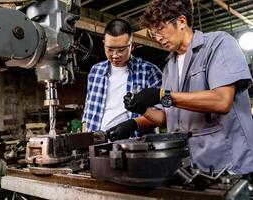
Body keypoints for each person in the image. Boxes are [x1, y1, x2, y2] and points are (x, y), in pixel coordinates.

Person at [108, 0, 253, 175]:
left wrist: (162, 95)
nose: (158, 37)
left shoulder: (218, 43)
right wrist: (141, 111)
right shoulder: (170, 65)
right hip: (192, 165)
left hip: (229, 163)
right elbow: (166, 117)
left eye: (160, 29)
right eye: (153, 33)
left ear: (182, 21)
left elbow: (222, 101)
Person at [82, 18, 162, 137]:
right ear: (104, 43)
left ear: (132, 46)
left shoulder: (149, 71)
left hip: (135, 146)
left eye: (121, 50)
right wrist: (85, 140)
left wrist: (133, 124)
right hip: (98, 144)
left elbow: (162, 115)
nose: (115, 55)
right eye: (110, 49)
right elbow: (88, 112)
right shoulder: (95, 71)